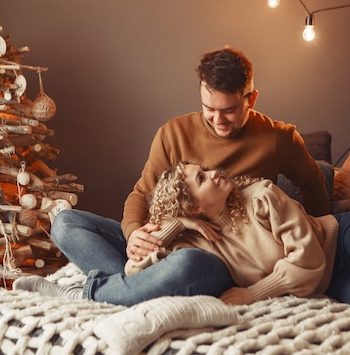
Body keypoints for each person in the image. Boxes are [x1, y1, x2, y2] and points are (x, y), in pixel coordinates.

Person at [36, 46, 331, 305]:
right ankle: (137, 289)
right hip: (161, 242)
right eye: (208, 109)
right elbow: (141, 194)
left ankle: (110, 292)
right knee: (65, 224)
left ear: (250, 99)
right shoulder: (172, 134)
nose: (218, 120)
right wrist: (134, 234)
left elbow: (312, 182)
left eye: (228, 110)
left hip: (213, 260)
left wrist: (315, 239)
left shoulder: (279, 138)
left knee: (186, 264)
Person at [15, 163, 350, 309]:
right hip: (332, 285)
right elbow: (139, 273)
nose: (213, 171)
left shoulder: (260, 195)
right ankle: (95, 293)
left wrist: (255, 292)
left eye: (204, 167)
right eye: (200, 176)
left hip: (340, 243)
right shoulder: (193, 240)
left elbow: (310, 260)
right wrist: (177, 226)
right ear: (193, 205)